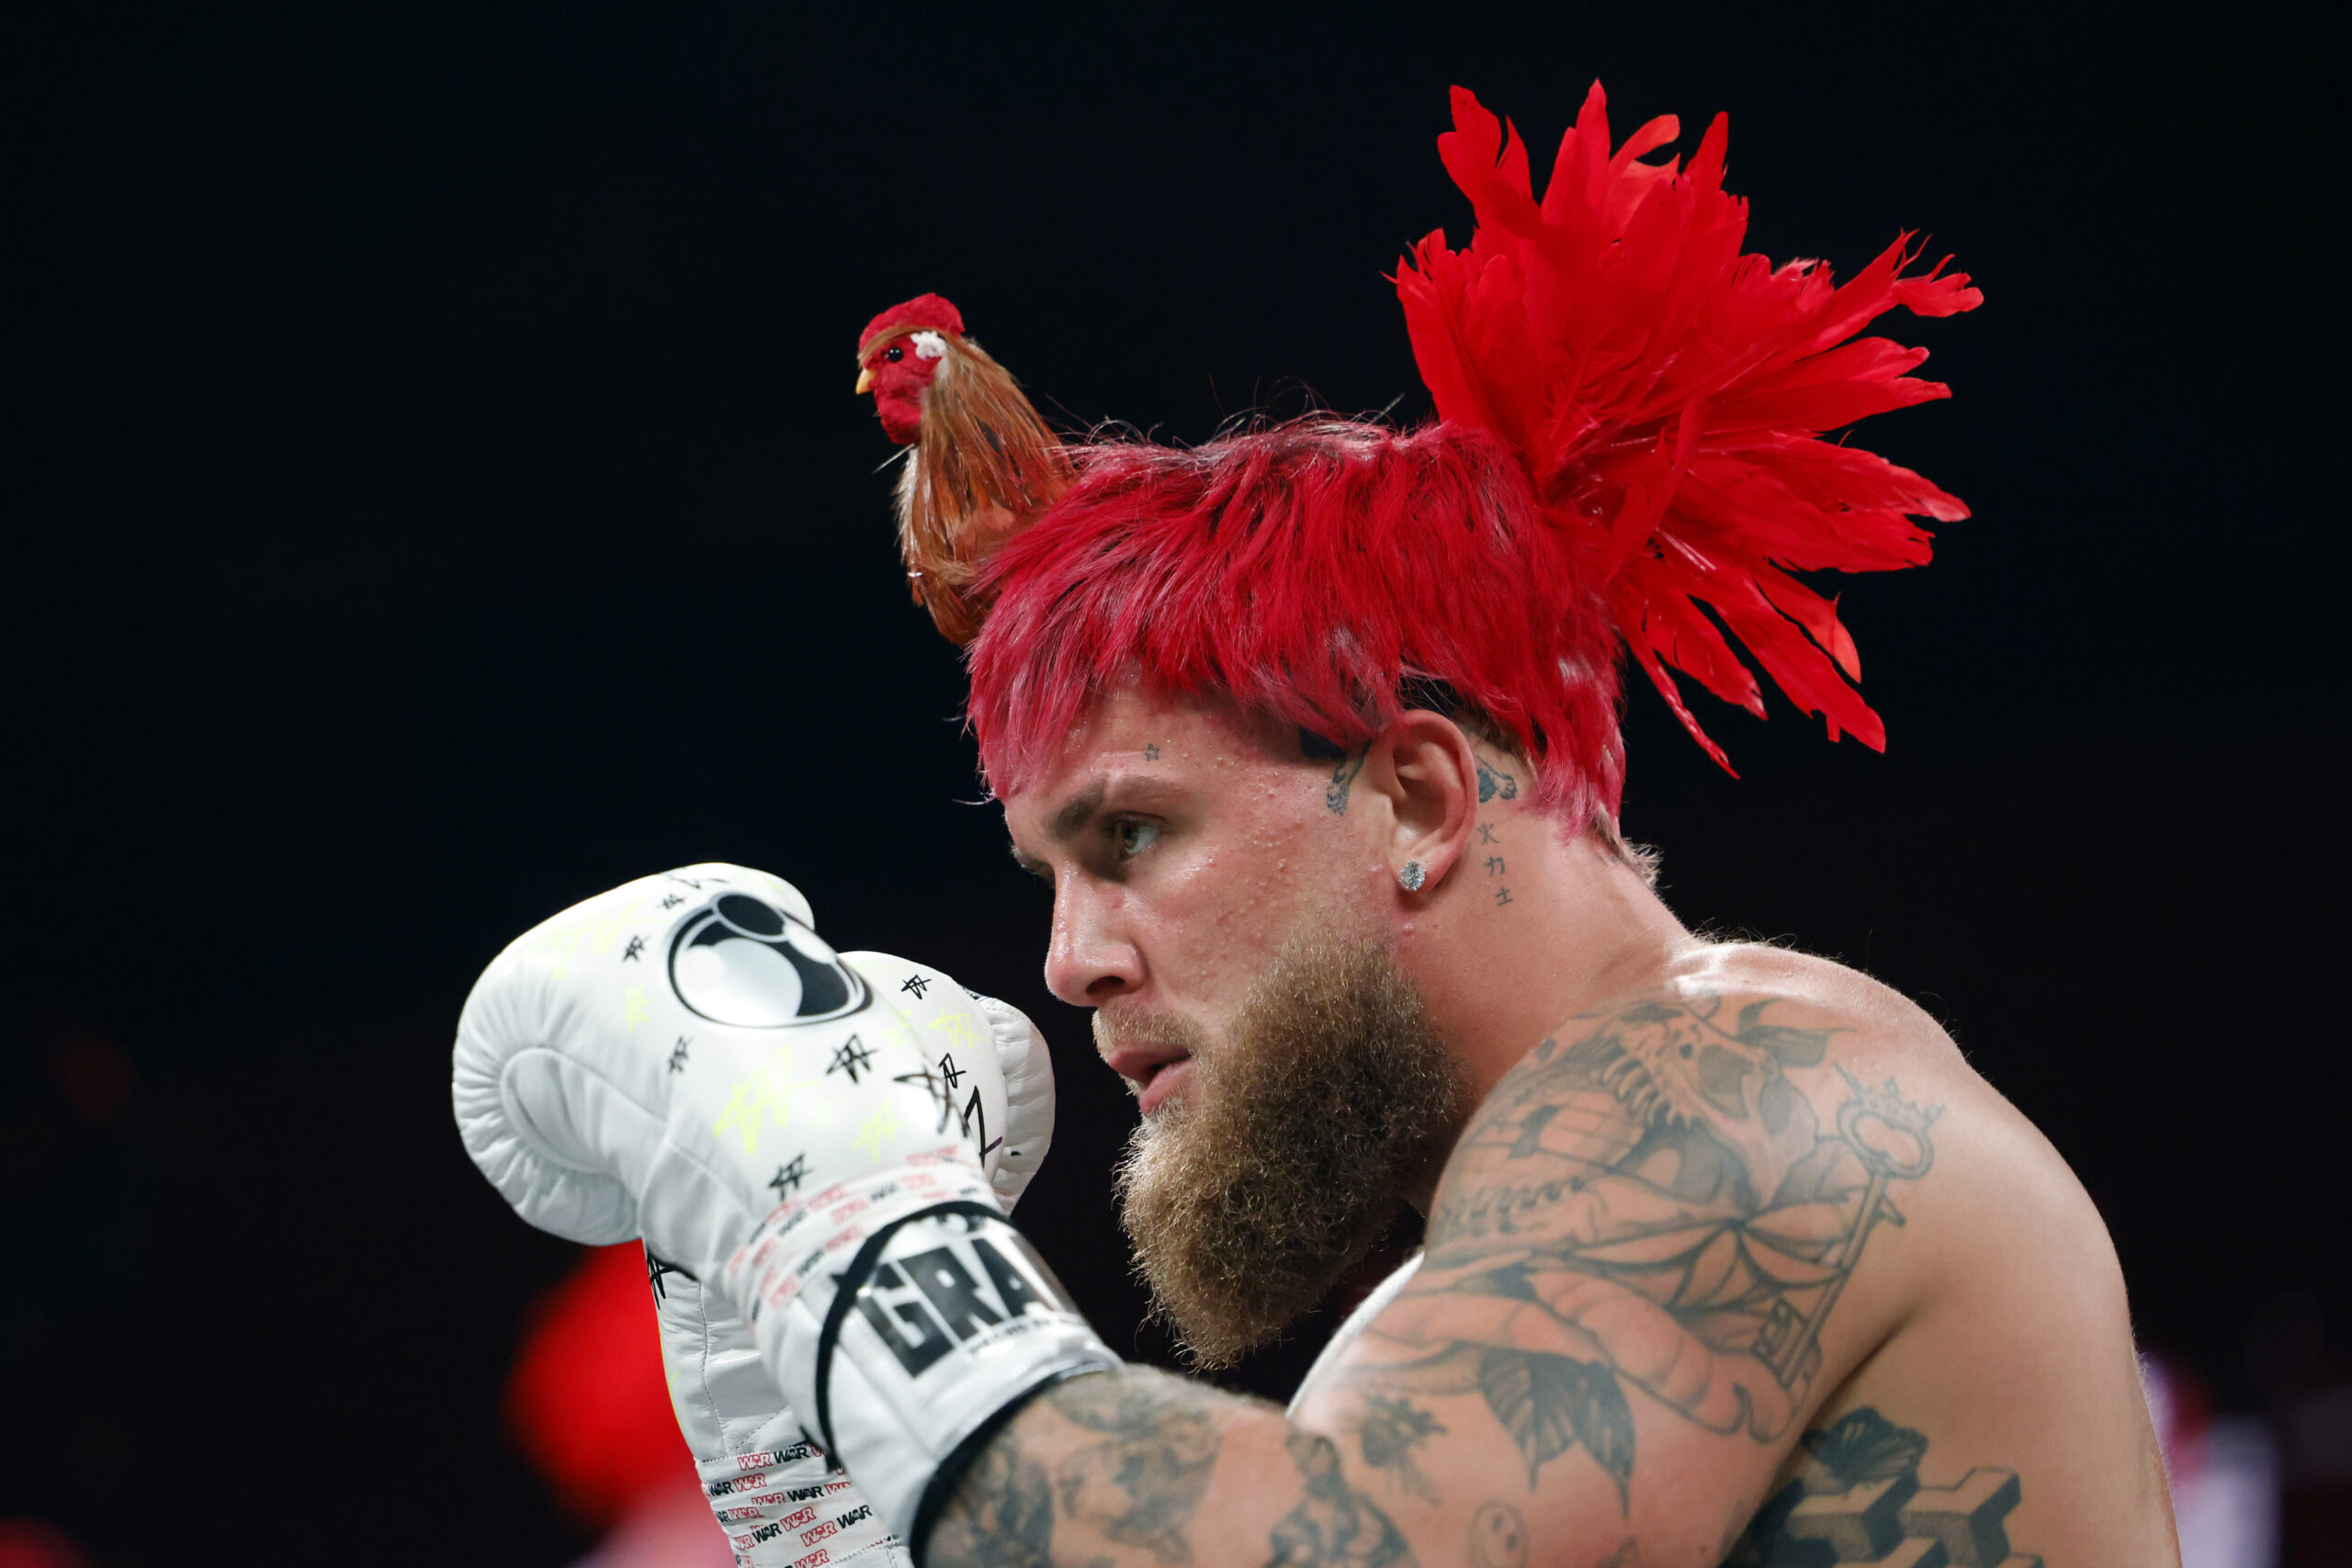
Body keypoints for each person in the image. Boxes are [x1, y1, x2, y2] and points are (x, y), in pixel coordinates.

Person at [456, 85, 2180, 1566]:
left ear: (1417, 797)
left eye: (1128, 839)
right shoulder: (1483, 1281)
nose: (1067, 961)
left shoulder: (1736, 1100)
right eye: (1049, 875)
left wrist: (857, 1238)